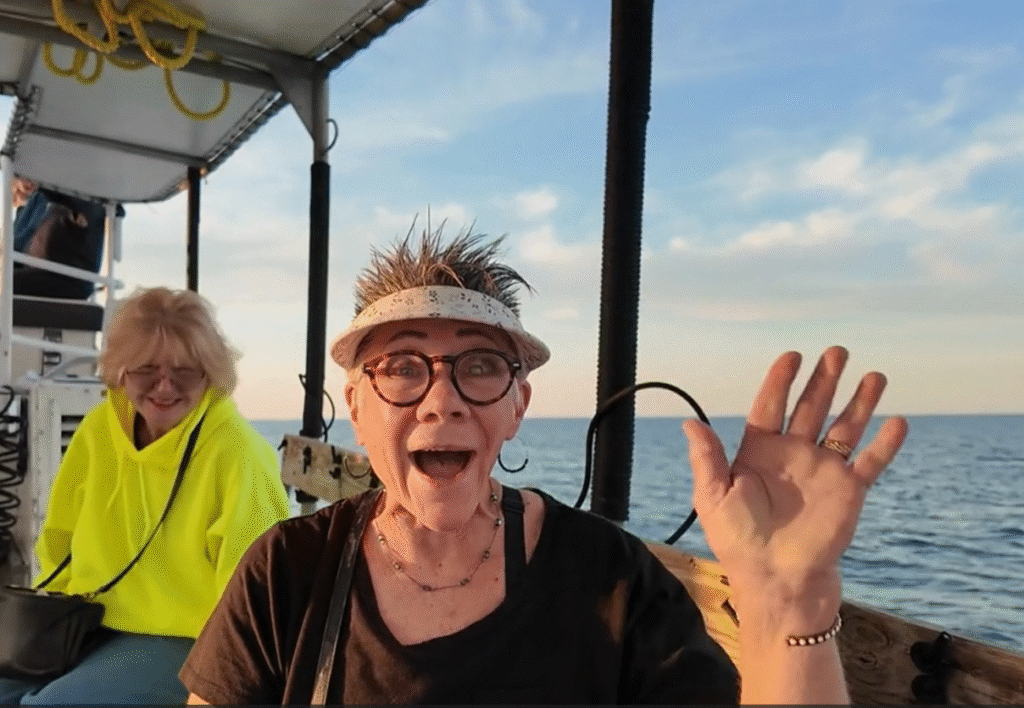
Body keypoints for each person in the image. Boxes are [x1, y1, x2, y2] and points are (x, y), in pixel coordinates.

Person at [181, 228, 908, 704]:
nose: (443, 399)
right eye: (402, 367)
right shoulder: (288, 573)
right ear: (359, 407)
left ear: (518, 405)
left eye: (480, 366)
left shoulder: (612, 580)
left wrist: (787, 606)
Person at [0, 286, 291, 705]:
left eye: (185, 370)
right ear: (121, 371)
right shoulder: (101, 426)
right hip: (87, 621)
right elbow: (60, 532)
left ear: (210, 372)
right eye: (146, 369)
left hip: (187, 641)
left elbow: (255, 591)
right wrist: (47, 622)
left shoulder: (239, 453)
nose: (164, 386)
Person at [10, 175, 108, 299]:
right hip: (36, 272)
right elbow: (16, 249)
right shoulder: (35, 202)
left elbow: (74, 198)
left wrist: (37, 181)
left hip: (69, 277)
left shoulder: (88, 192)